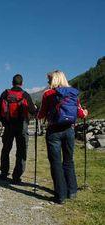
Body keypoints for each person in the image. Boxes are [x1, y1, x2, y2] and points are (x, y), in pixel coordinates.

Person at [37, 70, 88, 204]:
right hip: (69, 130)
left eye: (49, 80)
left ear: (54, 80)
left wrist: (38, 114)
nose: (48, 82)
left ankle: (60, 195)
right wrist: (85, 113)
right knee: (68, 160)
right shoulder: (73, 93)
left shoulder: (48, 94)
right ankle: (72, 191)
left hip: (54, 131)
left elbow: (41, 115)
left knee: (55, 163)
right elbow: (81, 113)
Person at [0, 74, 36, 184]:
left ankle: (4, 173)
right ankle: (16, 176)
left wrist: (3, 121)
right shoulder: (25, 95)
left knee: (6, 149)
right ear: (22, 83)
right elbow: (33, 111)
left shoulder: (5, 94)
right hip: (22, 126)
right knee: (21, 150)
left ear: (12, 82)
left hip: (8, 125)